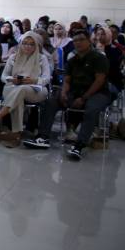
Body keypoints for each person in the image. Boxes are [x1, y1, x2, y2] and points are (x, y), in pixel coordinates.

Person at [24, 30, 111, 160]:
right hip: (75, 92)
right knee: (51, 101)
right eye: (75, 40)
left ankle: (79, 145)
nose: (78, 43)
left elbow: (99, 81)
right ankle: (43, 137)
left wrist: (84, 98)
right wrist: (64, 93)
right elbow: (67, 80)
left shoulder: (99, 58)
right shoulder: (72, 60)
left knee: (91, 109)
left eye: (81, 39)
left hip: (97, 93)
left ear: (89, 41)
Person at [0, 31, 51, 148]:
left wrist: (34, 80)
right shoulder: (13, 57)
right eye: (25, 43)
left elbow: (47, 78)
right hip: (15, 86)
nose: (27, 46)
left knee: (20, 90)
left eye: (31, 44)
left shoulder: (42, 58)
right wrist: (12, 79)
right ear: (21, 44)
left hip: (36, 90)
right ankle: (16, 134)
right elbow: (3, 76)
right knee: (18, 94)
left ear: (36, 45)